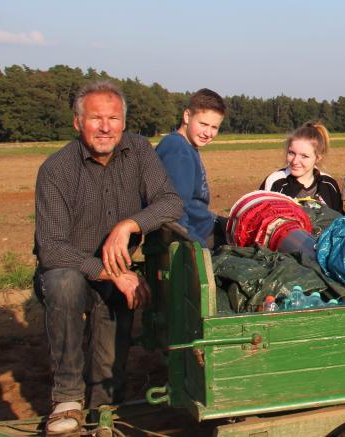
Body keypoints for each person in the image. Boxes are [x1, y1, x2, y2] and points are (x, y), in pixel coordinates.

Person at [33, 81, 182, 435]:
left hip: (118, 270)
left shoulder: (139, 151)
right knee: (65, 283)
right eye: (95, 118)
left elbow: (170, 201)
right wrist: (111, 271)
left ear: (123, 122)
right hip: (70, 267)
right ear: (77, 122)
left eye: (113, 118)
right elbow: (51, 247)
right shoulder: (56, 170)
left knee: (111, 343)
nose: (105, 127)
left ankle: (104, 404)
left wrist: (129, 225)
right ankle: (67, 397)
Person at [155, 88, 225, 246]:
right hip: (196, 236)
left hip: (205, 226)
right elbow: (174, 212)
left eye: (214, 127)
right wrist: (199, 248)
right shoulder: (177, 149)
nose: (208, 133)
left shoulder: (187, 146)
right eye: (203, 124)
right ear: (187, 116)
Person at [259, 122, 343, 210]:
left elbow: (338, 217)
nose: (295, 161)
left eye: (304, 156)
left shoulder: (328, 184)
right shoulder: (275, 182)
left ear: (318, 158)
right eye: (291, 153)